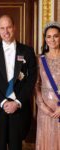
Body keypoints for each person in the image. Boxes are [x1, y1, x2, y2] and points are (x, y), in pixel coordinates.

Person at [0, 15, 37, 150]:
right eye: (2, 28)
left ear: (14, 28)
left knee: (16, 146)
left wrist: (17, 102)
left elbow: (31, 79)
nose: (6, 31)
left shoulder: (27, 51)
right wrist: (3, 102)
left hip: (19, 108)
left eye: (8, 27)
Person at [35, 21, 60, 150]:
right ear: (45, 39)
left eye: (56, 36)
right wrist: (42, 105)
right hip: (45, 109)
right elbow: (36, 85)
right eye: (49, 36)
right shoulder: (40, 59)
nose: (52, 39)